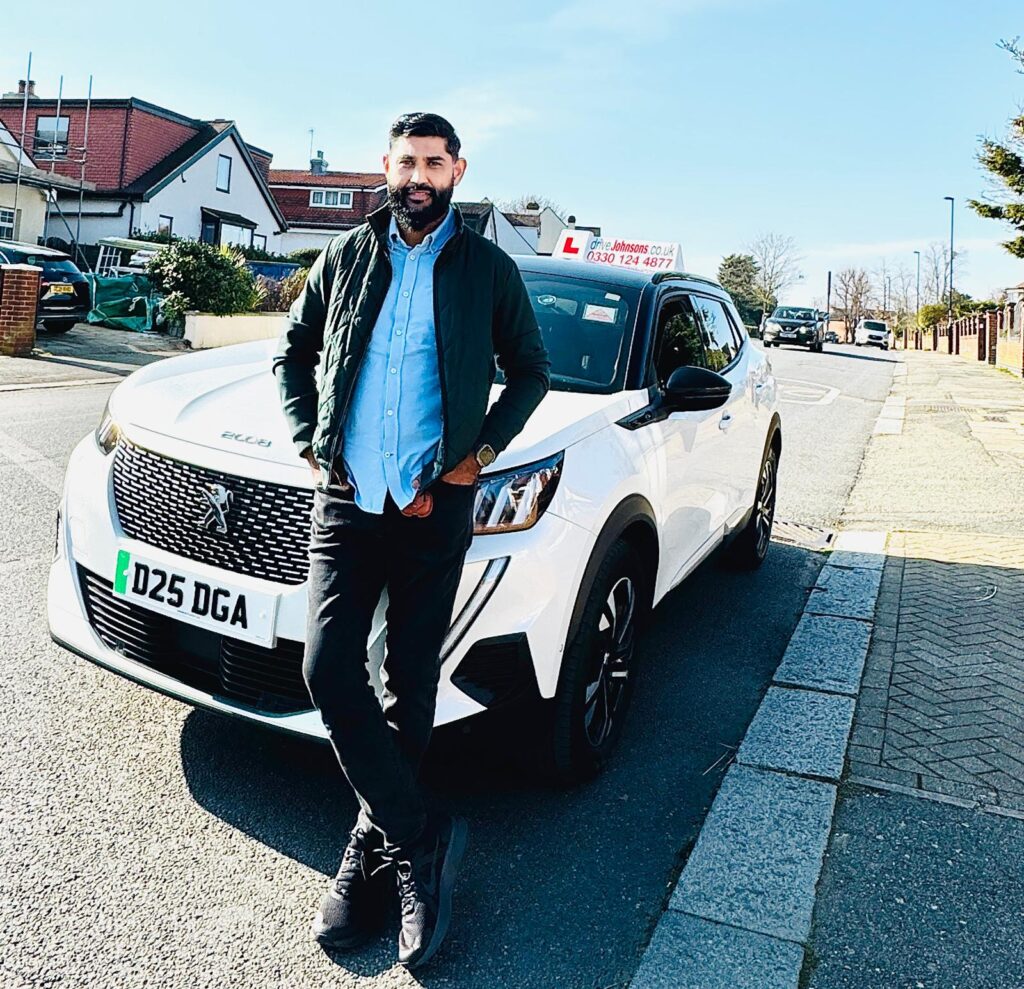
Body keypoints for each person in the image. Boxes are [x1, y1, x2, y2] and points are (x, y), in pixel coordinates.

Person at [272, 112, 550, 969]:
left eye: (434, 163)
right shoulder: (346, 255)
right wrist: (309, 438)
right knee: (327, 666)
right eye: (406, 162)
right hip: (348, 497)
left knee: (410, 680)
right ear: (385, 168)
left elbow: (531, 372)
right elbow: (293, 352)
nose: (418, 176)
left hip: (433, 504)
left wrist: (479, 455)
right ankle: (418, 835)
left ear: (457, 170)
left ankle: (372, 844)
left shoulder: (488, 269)